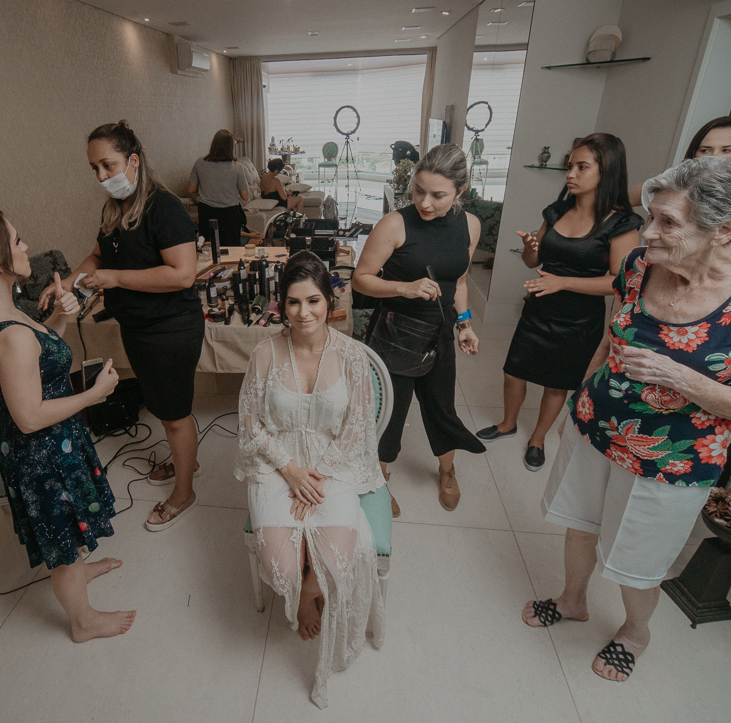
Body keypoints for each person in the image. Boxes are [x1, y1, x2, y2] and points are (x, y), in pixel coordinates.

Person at [522, 157, 731, 682]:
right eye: (650, 216)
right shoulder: (639, 264)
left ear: (724, 230)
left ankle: (634, 631)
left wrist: (681, 377)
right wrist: (582, 399)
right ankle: (573, 598)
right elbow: (612, 338)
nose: (647, 231)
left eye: (667, 222)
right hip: (595, 426)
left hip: (673, 455)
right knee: (579, 526)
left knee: (638, 556)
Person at [0, 207, 133, 642]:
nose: (26, 247)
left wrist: (61, 316)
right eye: (17, 241)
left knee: (70, 532)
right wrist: (95, 395)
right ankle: (82, 621)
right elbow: (30, 415)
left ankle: (79, 571)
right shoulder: (11, 334)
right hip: (43, 454)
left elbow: (34, 362)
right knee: (62, 548)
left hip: (49, 445)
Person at [237, 250, 385, 708]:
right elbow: (250, 425)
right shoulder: (264, 353)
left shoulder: (353, 356)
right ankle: (300, 585)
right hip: (277, 465)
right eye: (294, 302)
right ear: (280, 304)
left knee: (334, 565)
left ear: (329, 302)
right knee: (277, 569)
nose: (304, 313)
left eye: (314, 301)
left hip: (332, 467)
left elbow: (357, 427)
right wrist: (290, 470)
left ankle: (313, 588)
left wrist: (314, 478)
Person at [42, 120, 204, 532]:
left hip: (170, 329)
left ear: (133, 161)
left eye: (107, 165)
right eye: (94, 168)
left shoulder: (165, 208)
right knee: (165, 407)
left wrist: (115, 279)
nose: (100, 177)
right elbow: (98, 256)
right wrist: (71, 285)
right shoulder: (116, 208)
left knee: (174, 414)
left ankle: (184, 492)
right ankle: (188, 461)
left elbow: (183, 274)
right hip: (138, 326)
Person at [476, 133, 642, 471]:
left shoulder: (622, 223)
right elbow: (529, 261)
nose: (571, 174)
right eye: (570, 167)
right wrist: (531, 249)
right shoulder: (556, 211)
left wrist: (562, 281)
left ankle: (537, 439)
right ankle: (508, 424)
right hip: (539, 309)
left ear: (606, 172)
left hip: (579, 320)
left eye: (582, 167)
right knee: (513, 372)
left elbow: (618, 281)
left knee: (556, 383)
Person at [352, 144, 485, 516]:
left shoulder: (469, 225)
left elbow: (457, 281)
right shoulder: (395, 224)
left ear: (460, 191)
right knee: (389, 414)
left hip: (440, 331)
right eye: (419, 191)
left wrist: (464, 324)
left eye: (438, 195)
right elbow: (360, 280)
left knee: (443, 407)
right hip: (395, 332)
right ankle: (378, 483)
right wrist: (403, 287)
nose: (425, 203)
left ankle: (447, 470)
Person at [627, 115, 731, 260]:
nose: (715, 157)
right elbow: (617, 201)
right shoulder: (668, 184)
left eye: (726, 150)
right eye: (705, 150)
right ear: (694, 153)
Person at [188, 128, 249, 253]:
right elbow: (245, 196)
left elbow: (191, 189)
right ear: (230, 147)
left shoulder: (200, 163)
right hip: (230, 214)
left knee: (209, 249)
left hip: (207, 212)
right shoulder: (237, 167)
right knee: (231, 250)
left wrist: (201, 198)